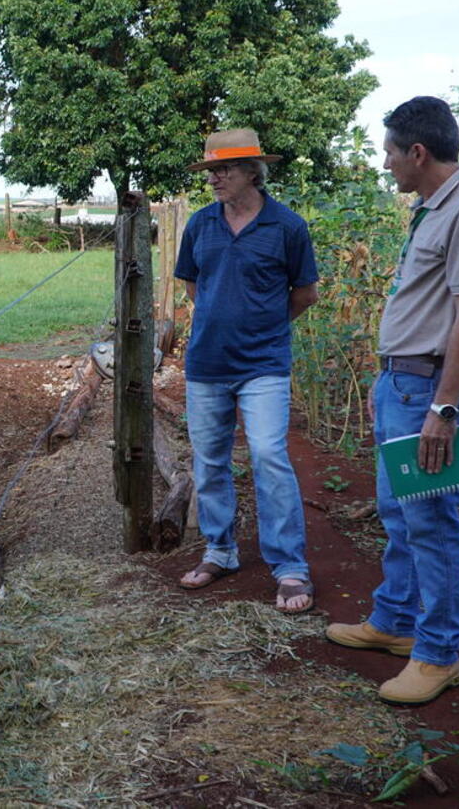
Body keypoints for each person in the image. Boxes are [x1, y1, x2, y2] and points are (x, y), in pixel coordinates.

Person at [325, 96, 459, 705]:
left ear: (418, 152)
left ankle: (438, 655)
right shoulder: (436, 208)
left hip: (431, 391)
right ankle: (397, 622)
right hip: (401, 384)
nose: (386, 166)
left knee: (432, 522)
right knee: (399, 512)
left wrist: (444, 408)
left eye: (388, 152)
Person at [173, 129, 320, 614]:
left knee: (268, 454)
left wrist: (261, 328)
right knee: (210, 460)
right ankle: (220, 551)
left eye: (224, 170)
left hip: (264, 365)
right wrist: (223, 320)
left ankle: (289, 565)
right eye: (211, 170)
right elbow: (195, 287)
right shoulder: (200, 225)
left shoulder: (288, 227)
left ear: (252, 172)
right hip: (207, 364)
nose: (214, 178)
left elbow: (304, 294)